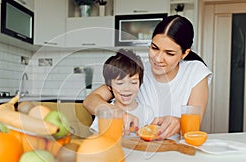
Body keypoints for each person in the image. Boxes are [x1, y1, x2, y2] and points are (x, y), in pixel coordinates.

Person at [83, 15, 212, 139]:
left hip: (177, 151)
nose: (158, 58)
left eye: (169, 53)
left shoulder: (195, 72)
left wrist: (179, 123)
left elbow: (194, 124)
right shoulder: (138, 70)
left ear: (184, 54)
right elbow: (90, 101)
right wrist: (117, 113)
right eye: (154, 48)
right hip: (141, 150)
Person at [89, 49, 154, 135]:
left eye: (133, 82)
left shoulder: (147, 112)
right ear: (109, 87)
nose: (127, 89)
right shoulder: (105, 111)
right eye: (120, 83)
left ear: (140, 84)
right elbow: (96, 138)